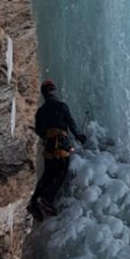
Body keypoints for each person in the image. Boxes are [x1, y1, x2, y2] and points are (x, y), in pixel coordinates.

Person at [28, 79, 86, 220]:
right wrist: (79, 135)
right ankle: (47, 199)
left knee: (48, 174)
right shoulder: (61, 106)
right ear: (54, 91)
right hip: (61, 142)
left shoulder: (41, 111)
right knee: (61, 172)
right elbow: (70, 122)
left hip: (49, 144)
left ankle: (34, 201)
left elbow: (40, 131)